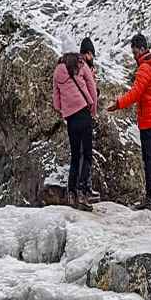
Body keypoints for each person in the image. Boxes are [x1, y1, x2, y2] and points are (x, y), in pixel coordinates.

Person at [107, 33, 151, 212]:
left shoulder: (144, 68)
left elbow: (135, 93)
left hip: (149, 120)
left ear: (141, 49)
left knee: (149, 160)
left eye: (134, 51)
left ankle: (150, 199)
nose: (133, 55)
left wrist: (117, 104)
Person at [53, 37, 99, 211]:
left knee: (74, 156)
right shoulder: (82, 65)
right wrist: (93, 108)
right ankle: (82, 192)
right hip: (84, 113)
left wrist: (62, 110)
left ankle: (71, 193)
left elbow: (55, 97)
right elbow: (92, 88)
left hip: (70, 117)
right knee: (86, 154)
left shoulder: (58, 70)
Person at [80, 36, 101, 203]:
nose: (92, 57)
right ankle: (84, 189)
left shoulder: (77, 67)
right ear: (87, 53)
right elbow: (91, 92)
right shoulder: (84, 68)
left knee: (83, 153)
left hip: (77, 114)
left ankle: (85, 187)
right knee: (85, 154)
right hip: (84, 113)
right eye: (91, 54)